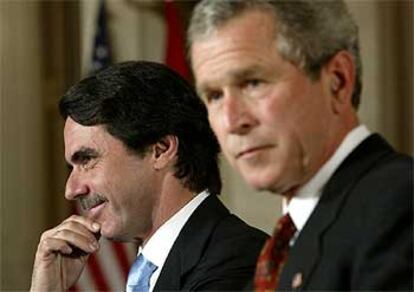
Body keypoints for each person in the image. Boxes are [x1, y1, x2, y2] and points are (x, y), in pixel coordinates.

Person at [188, 0, 413, 290]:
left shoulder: (399, 207)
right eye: (214, 96)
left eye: (253, 83)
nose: (232, 121)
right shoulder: (282, 251)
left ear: (337, 82)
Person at [30, 61, 268, 291]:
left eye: (87, 160)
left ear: (160, 150)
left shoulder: (239, 261)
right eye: (71, 167)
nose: (71, 189)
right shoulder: (153, 268)